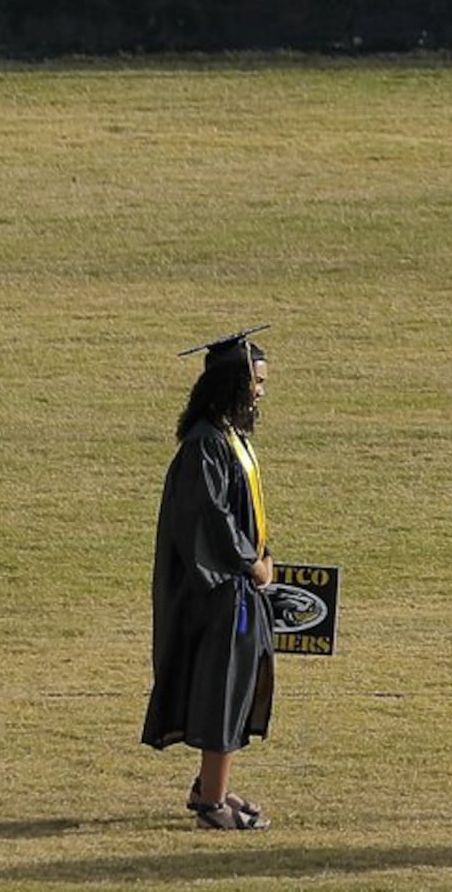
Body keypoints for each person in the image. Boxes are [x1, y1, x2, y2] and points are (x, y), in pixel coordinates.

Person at [147, 327, 281, 828]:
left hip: (237, 589)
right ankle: (211, 804)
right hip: (222, 591)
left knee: (237, 686)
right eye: (256, 382)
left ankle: (212, 785)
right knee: (223, 689)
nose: (261, 392)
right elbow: (211, 518)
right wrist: (251, 562)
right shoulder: (205, 445)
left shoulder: (227, 438)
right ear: (232, 383)